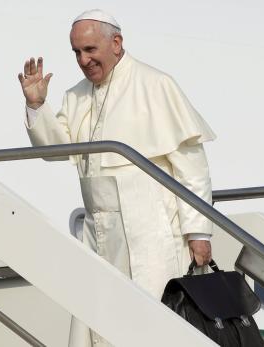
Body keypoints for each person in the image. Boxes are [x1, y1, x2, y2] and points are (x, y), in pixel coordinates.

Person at [19, 9, 215, 346]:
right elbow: (55, 150)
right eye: (77, 52)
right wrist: (38, 106)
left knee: (152, 320)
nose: (84, 60)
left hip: (150, 226)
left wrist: (198, 231)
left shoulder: (155, 84)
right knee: (99, 322)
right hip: (98, 228)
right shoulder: (77, 94)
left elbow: (191, 166)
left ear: (117, 43)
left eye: (91, 50)